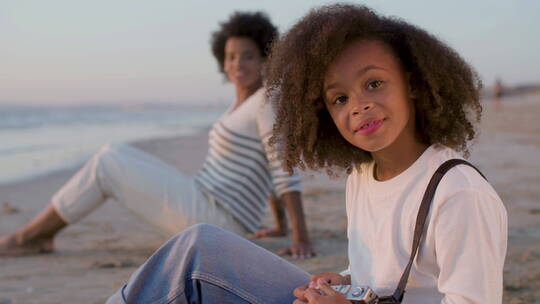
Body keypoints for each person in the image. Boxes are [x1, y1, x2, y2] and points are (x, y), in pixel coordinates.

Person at [105, 4, 507, 304]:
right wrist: (343, 281)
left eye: (374, 83)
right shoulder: (363, 178)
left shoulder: (458, 193)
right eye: (339, 97)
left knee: (196, 259)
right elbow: (387, 277)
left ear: (415, 84)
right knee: (200, 247)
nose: (358, 106)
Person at [0, 11, 314, 259]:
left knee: (109, 161)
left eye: (248, 55)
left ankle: (31, 237)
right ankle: (37, 235)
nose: (237, 64)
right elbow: (263, 164)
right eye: (231, 56)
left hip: (217, 219)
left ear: (266, 59)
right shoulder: (242, 104)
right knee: (116, 154)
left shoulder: (265, 100)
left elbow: (281, 165)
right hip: (208, 205)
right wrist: (279, 226)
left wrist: (300, 238)